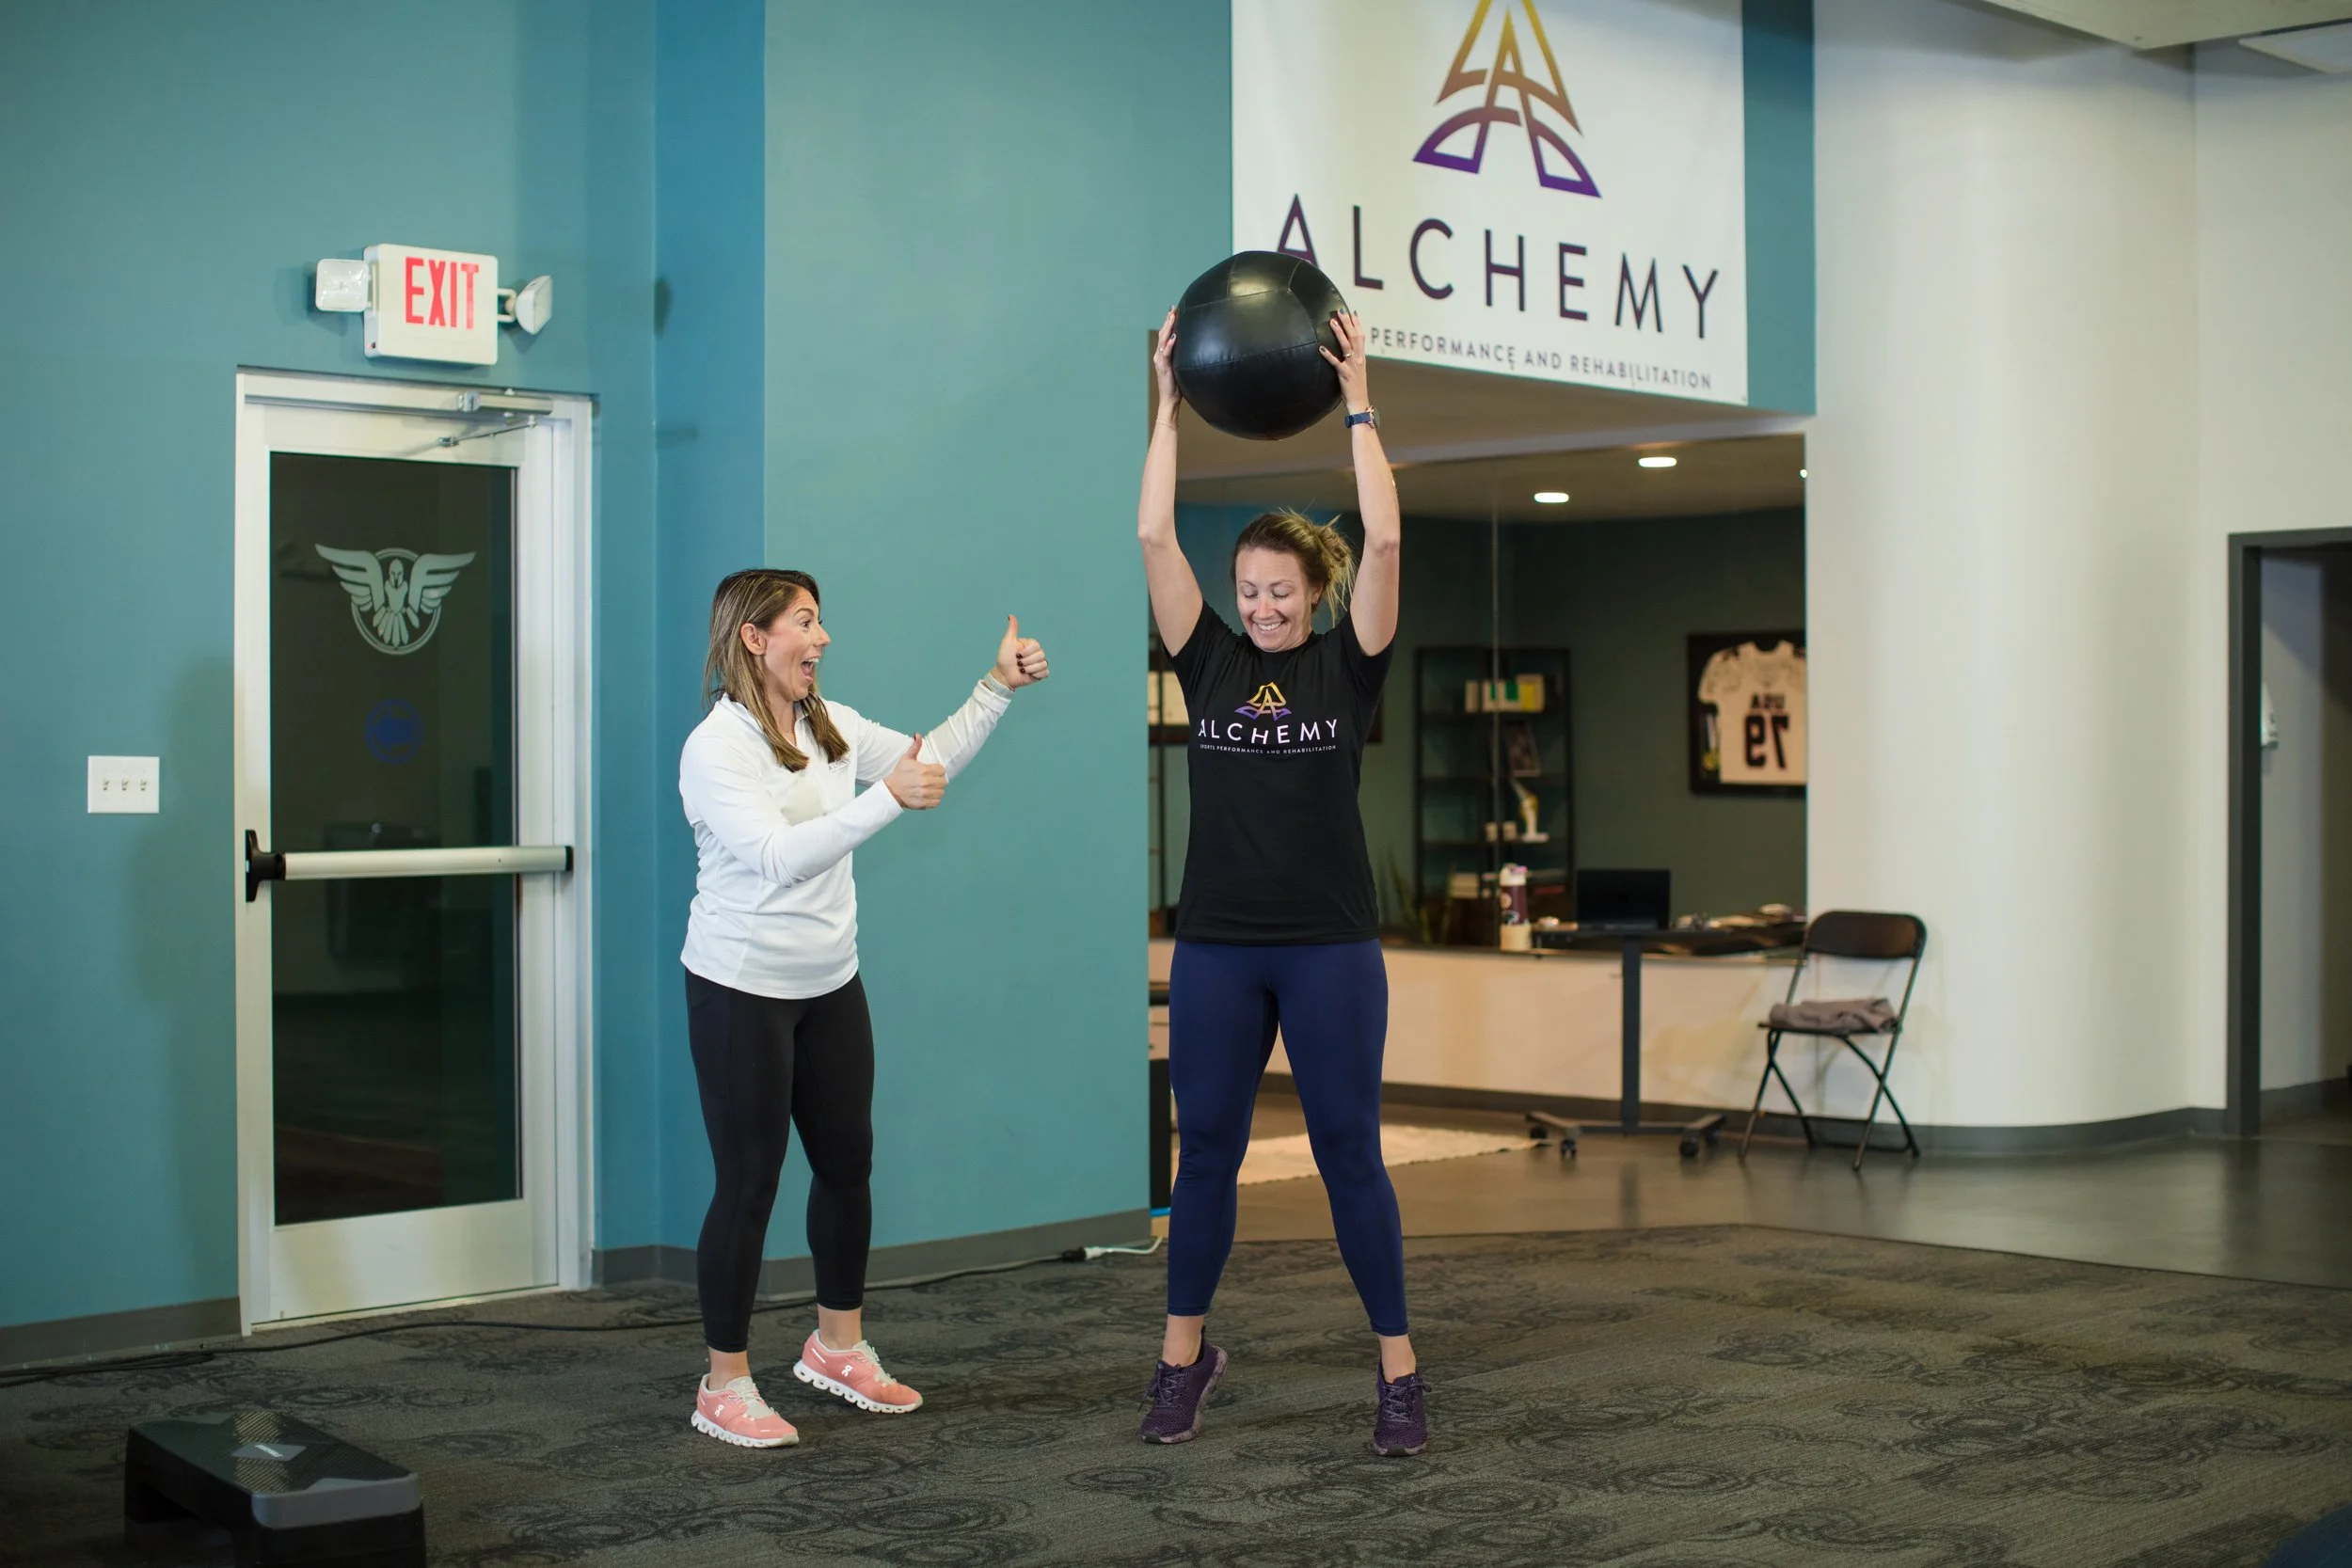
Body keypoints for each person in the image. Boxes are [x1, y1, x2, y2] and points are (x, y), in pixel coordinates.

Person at [1135, 309, 1423, 1455]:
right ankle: (1179, 1358)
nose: (1259, 606)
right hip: (1216, 945)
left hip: (1328, 946)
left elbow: (1389, 547)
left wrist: (1359, 403)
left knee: (1349, 1148)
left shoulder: (1344, 665)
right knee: (1202, 1151)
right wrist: (1165, 407)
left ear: (1311, 591)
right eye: (1247, 588)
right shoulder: (1205, 660)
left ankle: (1398, 1371)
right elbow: (1154, 535)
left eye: (1276, 590)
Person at [677, 567, 1048, 1449]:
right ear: (755, 638)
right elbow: (776, 857)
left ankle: (835, 1344)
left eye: (822, 620)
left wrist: (994, 688)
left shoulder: (827, 724)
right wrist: (887, 798)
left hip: (829, 981)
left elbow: (927, 761)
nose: (824, 638)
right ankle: (722, 1380)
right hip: (740, 987)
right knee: (749, 1180)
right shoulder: (716, 748)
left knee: (848, 1161)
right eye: (806, 622)